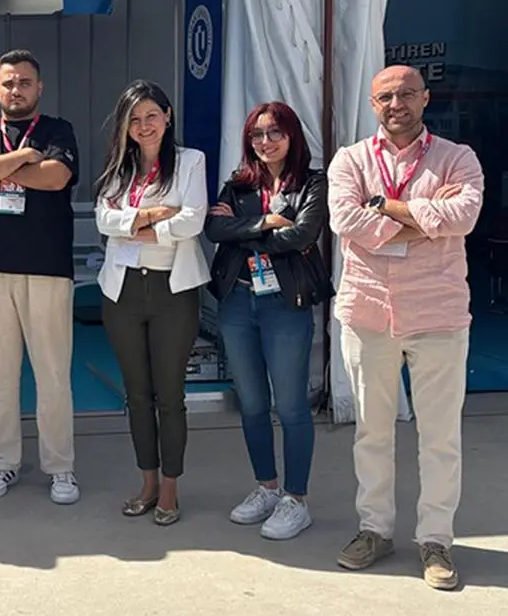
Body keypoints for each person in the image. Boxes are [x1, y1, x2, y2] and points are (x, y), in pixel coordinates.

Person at [328, 65, 483, 590]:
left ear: (425, 99)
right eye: (386, 97)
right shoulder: (350, 160)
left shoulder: (457, 158)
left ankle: (435, 540)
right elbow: (347, 221)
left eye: (407, 94)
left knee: (440, 437)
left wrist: (388, 208)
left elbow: (463, 217)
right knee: (372, 432)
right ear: (373, 104)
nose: (396, 104)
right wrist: (425, 221)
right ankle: (375, 530)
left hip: (437, 314)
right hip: (368, 312)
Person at [204, 101, 332, 541]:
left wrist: (244, 230)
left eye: (275, 132)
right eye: (257, 134)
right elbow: (214, 231)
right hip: (238, 302)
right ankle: (267, 487)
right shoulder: (238, 184)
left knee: (291, 404)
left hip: (285, 303)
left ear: (292, 135)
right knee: (252, 403)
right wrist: (264, 222)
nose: (265, 141)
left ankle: (296, 498)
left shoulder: (313, 182)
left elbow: (302, 235)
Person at [0, 49, 81, 505]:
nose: (16, 90)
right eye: (8, 82)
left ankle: (60, 468)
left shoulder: (57, 130)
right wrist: (24, 157)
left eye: (24, 82)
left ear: (39, 87)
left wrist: (0, 162)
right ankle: (3, 462)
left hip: (48, 270)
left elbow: (56, 177)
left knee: (52, 375)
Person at [93, 80, 208, 526]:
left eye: (151, 116)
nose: (144, 126)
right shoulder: (119, 169)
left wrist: (134, 228)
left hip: (172, 292)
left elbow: (192, 221)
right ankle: (147, 482)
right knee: (137, 395)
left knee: (170, 395)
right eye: (135, 119)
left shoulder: (190, 161)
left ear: (168, 116)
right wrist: (153, 216)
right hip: (122, 292)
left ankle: (171, 487)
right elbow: (104, 219)